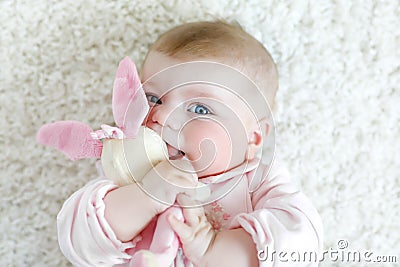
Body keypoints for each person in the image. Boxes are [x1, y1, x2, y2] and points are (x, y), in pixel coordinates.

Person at [57, 20, 323, 266]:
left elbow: (302, 245)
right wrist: (147, 194)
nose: (161, 116)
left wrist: (213, 249)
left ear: (253, 138)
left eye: (200, 109)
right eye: (153, 98)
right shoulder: (130, 167)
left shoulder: (258, 179)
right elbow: (78, 242)